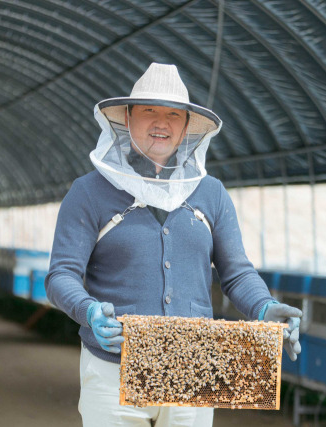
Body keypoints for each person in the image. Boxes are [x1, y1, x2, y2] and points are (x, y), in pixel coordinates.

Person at [45, 63, 302, 427]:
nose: (161, 123)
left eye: (173, 115)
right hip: (112, 365)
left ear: (185, 129)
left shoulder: (210, 193)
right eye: (149, 111)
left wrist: (264, 307)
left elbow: (236, 272)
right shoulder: (88, 191)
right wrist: (88, 310)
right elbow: (60, 275)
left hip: (192, 361)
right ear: (127, 118)